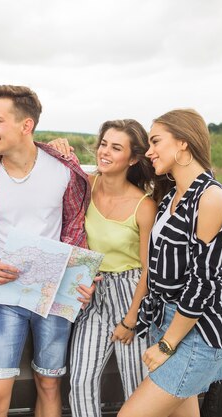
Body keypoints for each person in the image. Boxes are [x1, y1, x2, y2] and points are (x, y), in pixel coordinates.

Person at [0, 85, 92, 417]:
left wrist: (81, 280)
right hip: (4, 296)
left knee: (49, 386)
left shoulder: (65, 167)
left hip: (54, 294)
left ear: (26, 125)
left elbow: (76, 229)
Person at [118, 109, 222, 417]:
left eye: (156, 141)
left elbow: (203, 283)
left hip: (196, 335)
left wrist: (167, 345)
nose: (149, 151)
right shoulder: (173, 194)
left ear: (183, 143)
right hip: (168, 323)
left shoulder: (210, 197)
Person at [50, 119, 159, 416]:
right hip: (92, 291)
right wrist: (57, 146)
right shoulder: (86, 183)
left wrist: (131, 318)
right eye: (103, 144)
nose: (104, 152)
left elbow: (149, 269)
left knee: (136, 386)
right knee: (81, 380)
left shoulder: (144, 206)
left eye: (116, 147)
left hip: (131, 294)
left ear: (134, 158)